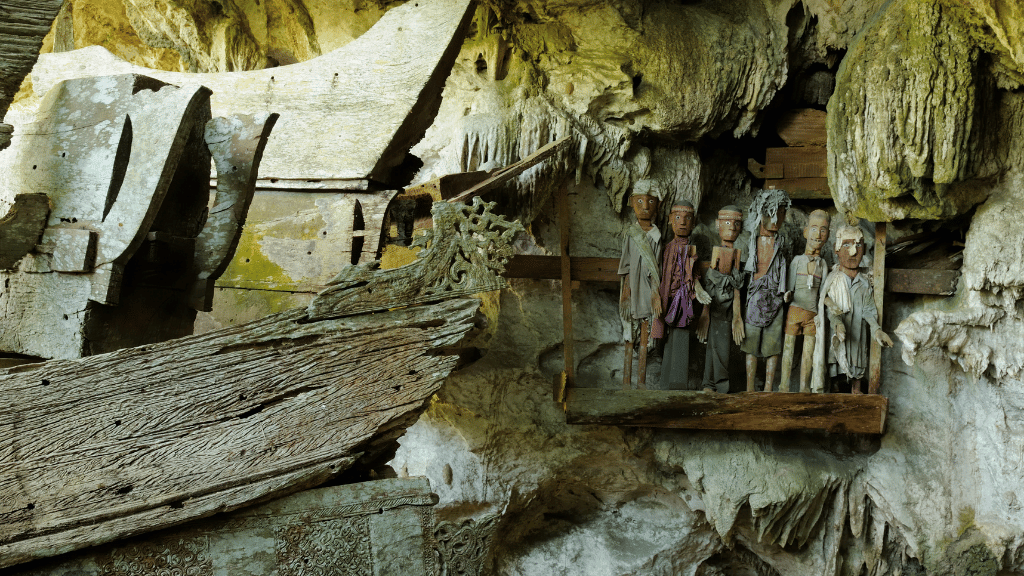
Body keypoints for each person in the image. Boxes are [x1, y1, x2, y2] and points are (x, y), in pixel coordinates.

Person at [819, 225, 893, 394]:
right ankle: (834, 388)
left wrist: (877, 330)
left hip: (858, 336)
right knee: (835, 366)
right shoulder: (833, 280)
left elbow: (869, 309)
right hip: (838, 335)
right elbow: (829, 307)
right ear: (836, 249)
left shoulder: (864, 282)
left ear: (864, 249)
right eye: (846, 245)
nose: (853, 252)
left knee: (857, 363)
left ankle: (856, 389)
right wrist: (837, 323)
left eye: (858, 245)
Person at [740, 189, 791, 392]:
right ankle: (750, 388)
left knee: (773, 343)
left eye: (780, 213)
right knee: (751, 342)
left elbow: (785, 268)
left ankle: (768, 389)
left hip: (776, 296)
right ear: (760, 213)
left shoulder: (782, 243)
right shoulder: (751, 242)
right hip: (755, 295)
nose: (775, 219)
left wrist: (785, 291)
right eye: (770, 213)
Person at [659, 202, 711, 390]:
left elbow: (692, 274)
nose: (682, 222)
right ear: (670, 220)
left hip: (684, 302)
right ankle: (666, 383)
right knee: (669, 340)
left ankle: (677, 385)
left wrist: (698, 289)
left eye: (687, 218)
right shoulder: (667, 248)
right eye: (678, 217)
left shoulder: (691, 249)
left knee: (681, 338)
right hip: (668, 301)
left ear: (693, 222)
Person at [779, 210, 830, 392]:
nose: (818, 235)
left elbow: (823, 292)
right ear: (806, 232)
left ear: (828, 235)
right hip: (795, 310)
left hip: (812, 315)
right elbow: (789, 287)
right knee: (788, 349)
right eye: (814, 229)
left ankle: (804, 388)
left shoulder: (823, 265)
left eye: (823, 230)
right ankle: (784, 387)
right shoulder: (797, 261)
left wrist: (829, 304)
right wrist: (787, 295)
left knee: (808, 353)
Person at [619, 180, 663, 389]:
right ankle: (626, 382)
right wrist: (625, 292)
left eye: (650, 201)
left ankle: (641, 383)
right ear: (631, 203)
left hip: (647, 290)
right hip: (631, 289)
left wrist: (655, 294)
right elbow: (626, 264)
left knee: (645, 332)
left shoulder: (656, 236)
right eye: (640, 201)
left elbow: (656, 268)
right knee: (629, 330)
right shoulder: (630, 233)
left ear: (658, 205)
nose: (645, 206)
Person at [698, 206, 745, 393]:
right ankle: (712, 385)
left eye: (736, 223)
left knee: (720, 346)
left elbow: (737, 286)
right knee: (715, 346)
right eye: (727, 222)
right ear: (718, 225)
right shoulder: (717, 251)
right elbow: (711, 281)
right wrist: (705, 313)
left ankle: (715, 385)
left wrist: (737, 316)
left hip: (727, 308)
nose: (732, 227)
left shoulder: (737, 253)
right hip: (715, 304)